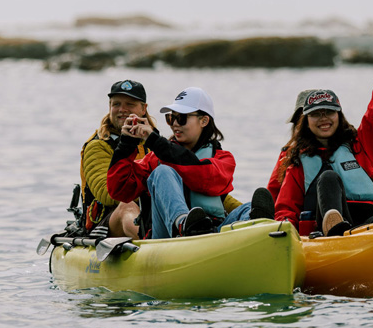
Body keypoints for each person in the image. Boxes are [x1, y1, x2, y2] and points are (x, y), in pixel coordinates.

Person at [273, 36, 373, 237]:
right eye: (316, 114)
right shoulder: (297, 162)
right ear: (306, 121)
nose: (323, 119)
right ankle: (335, 226)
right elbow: (286, 208)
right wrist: (285, 235)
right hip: (325, 230)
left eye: (329, 112)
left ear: (339, 115)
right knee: (328, 177)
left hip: (367, 224)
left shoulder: (361, 145)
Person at [108, 87, 274, 239]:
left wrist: (155, 141)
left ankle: (255, 227)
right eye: (170, 118)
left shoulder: (223, 159)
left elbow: (200, 174)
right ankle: (184, 223)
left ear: (204, 121)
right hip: (168, 236)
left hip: (211, 230)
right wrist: (127, 143)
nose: (174, 124)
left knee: (248, 208)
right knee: (162, 172)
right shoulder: (155, 159)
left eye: (181, 118)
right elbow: (120, 190)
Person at [78, 79, 156, 238]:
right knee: (127, 205)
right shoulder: (97, 146)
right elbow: (108, 194)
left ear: (143, 109)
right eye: (116, 104)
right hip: (109, 219)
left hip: (152, 213)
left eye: (130, 104)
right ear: (110, 107)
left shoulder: (156, 143)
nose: (122, 109)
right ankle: (149, 244)